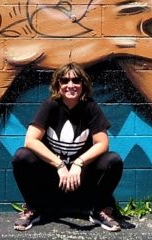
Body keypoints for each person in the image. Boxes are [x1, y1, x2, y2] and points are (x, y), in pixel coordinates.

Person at [11, 63, 123, 232]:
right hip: (53, 178)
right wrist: (59, 164)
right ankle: (34, 208)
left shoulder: (90, 107)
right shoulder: (50, 105)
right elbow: (30, 140)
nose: (71, 85)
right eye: (65, 81)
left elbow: (103, 143)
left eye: (76, 80)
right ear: (58, 85)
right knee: (22, 156)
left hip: (81, 179)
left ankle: (99, 210)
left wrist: (78, 163)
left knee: (113, 160)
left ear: (83, 84)